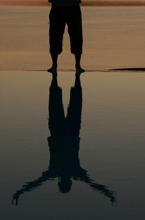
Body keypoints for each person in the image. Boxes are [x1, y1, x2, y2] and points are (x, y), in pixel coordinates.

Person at [11, 71, 116, 205]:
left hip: (62, 133)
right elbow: (93, 185)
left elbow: (36, 183)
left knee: (67, 102)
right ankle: (67, 77)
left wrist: (20, 192)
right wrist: (108, 194)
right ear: (64, 182)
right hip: (66, 133)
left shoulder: (59, 172)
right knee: (69, 102)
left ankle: (64, 77)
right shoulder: (65, 172)